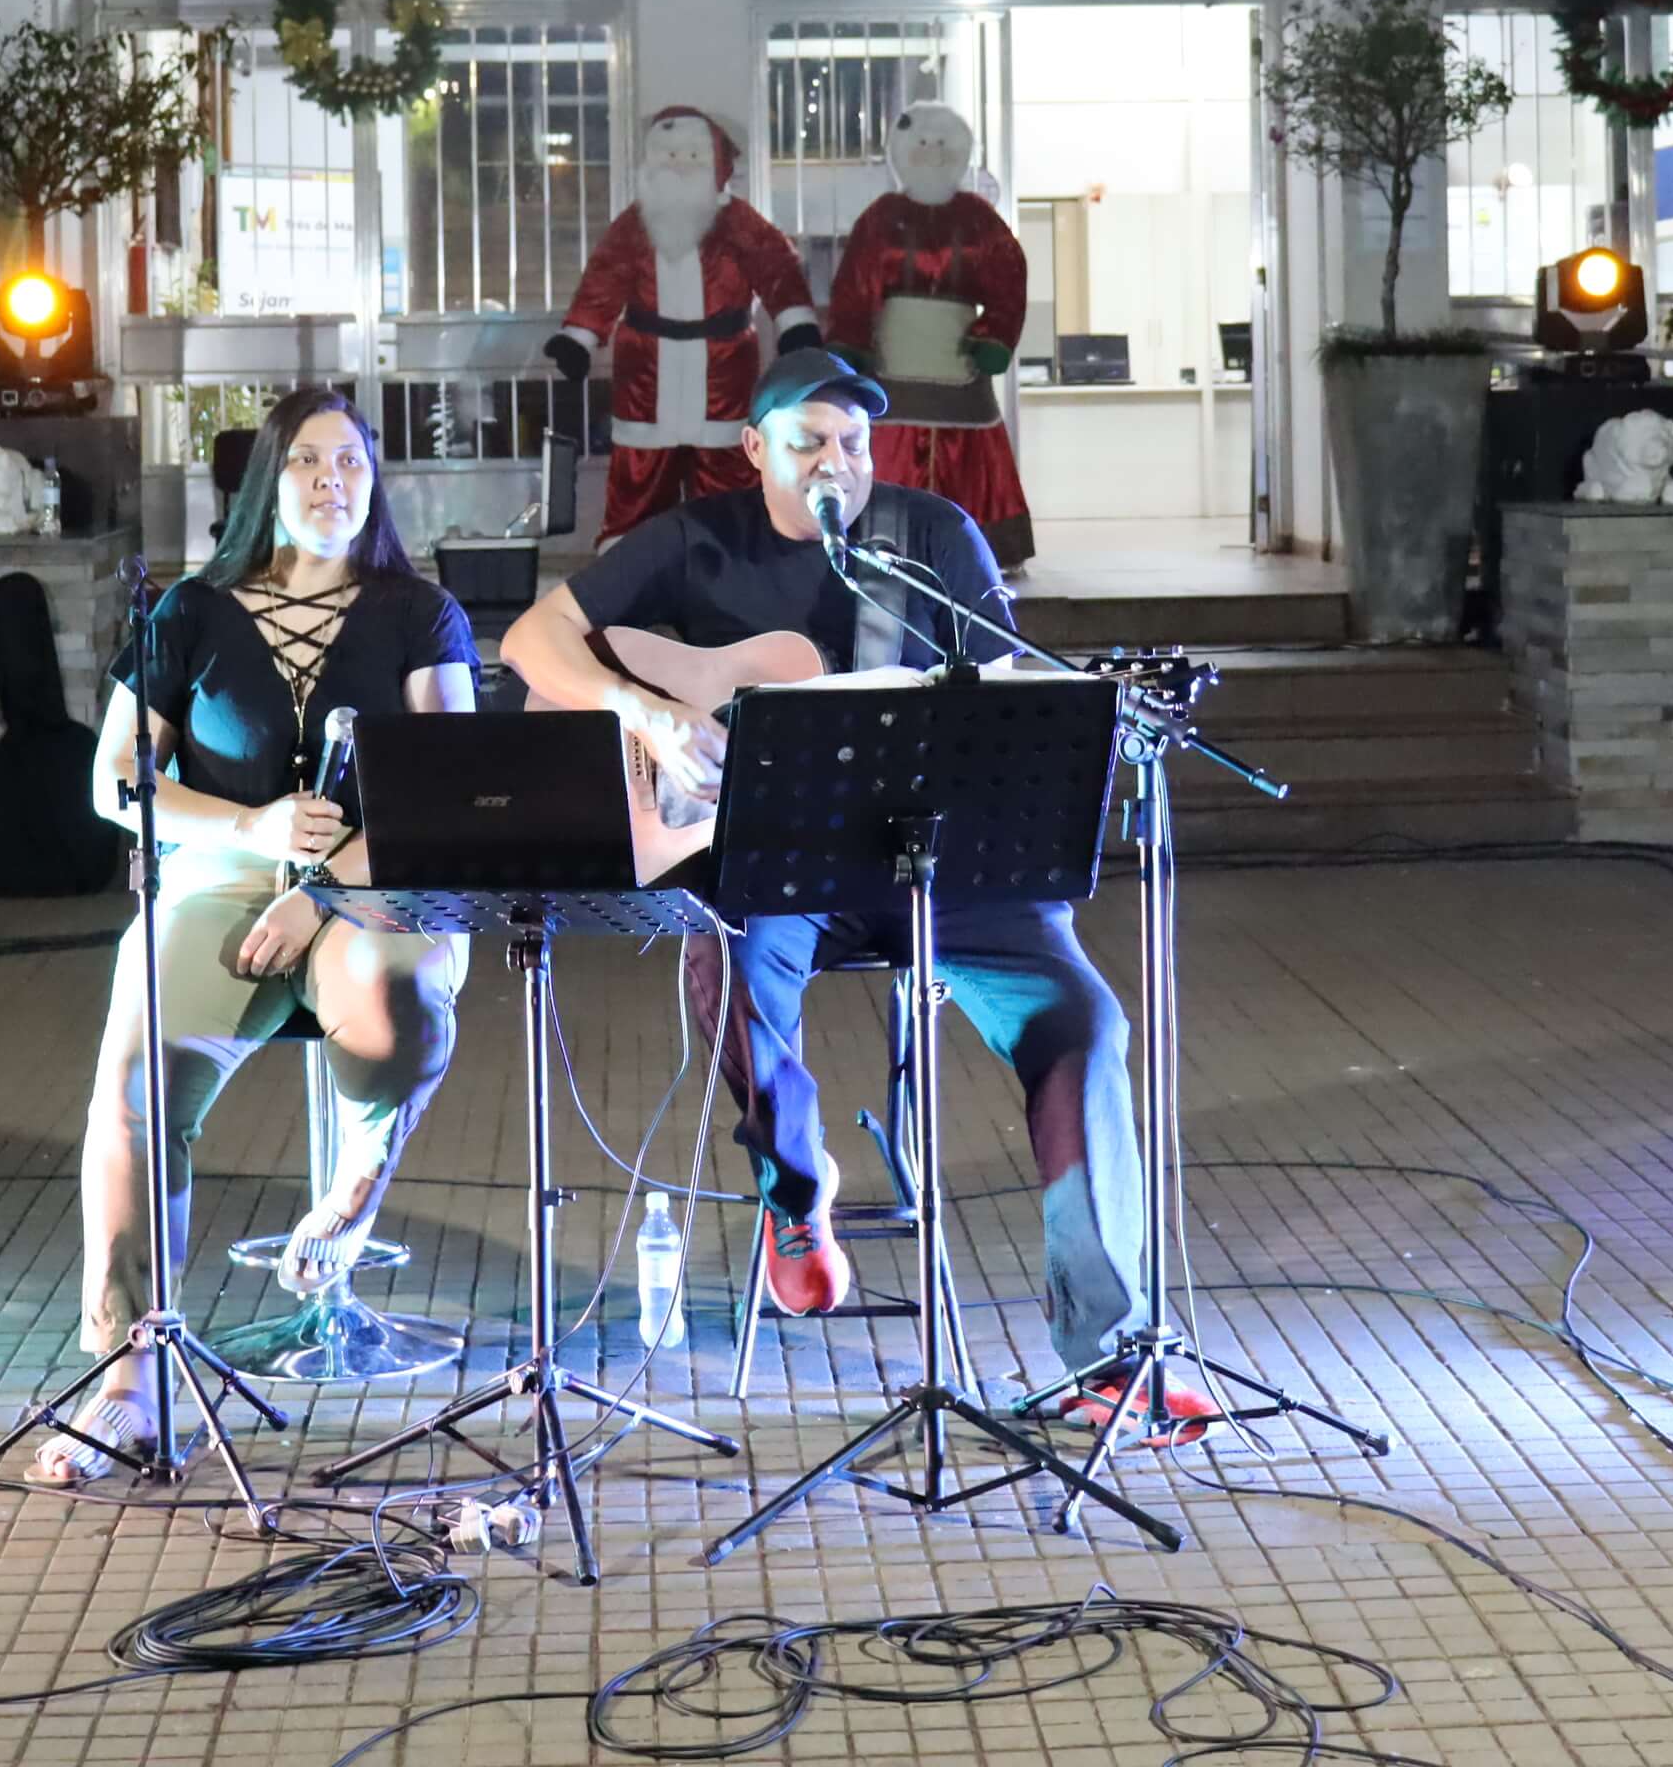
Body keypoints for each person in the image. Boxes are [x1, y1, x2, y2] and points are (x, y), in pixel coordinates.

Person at [500, 349, 1209, 1438]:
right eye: (809, 442)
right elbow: (530, 638)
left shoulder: (931, 537)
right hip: (785, 860)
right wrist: (644, 712)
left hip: (949, 859)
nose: (836, 462)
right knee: (724, 965)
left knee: (1086, 1024)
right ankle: (797, 1191)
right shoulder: (695, 540)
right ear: (755, 448)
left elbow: (1001, 692)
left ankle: (1111, 1351)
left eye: (853, 443)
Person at [64, 386, 479, 1469]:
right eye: (306, 461)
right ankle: (128, 1378)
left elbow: (450, 789)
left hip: (378, 878)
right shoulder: (190, 612)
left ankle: (357, 1182)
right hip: (221, 877)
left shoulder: (421, 611)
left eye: (351, 463)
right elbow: (116, 782)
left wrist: (322, 888)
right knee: (135, 1087)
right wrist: (251, 826)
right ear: (267, 482)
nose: (331, 481)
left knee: (392, 997)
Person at [548, 104, 820, 543]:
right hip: (647, 374)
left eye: (691, 156)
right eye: (668, 156)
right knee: (640, 478)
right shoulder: (634, 226)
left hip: (723, 370)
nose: (678, 166)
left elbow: (777, 270)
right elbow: (604, 278)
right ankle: (629, 565)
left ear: (716, 163)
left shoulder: (740, 223)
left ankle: (729, 560)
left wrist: (795, 323)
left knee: (728, 477)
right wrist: (578, 337)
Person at [824, 99, 1037, 573]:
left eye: (943, 144)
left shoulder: (980, 218)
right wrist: (849, 343)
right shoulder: (880, 218)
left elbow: (1008, 278)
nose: (933, 153)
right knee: (890, 450)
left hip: (959, 364)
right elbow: (855, 285)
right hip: (894, 363)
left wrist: (996, 336)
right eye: (922, 143)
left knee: (973, 450)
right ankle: (886, 542)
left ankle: (985, 552)